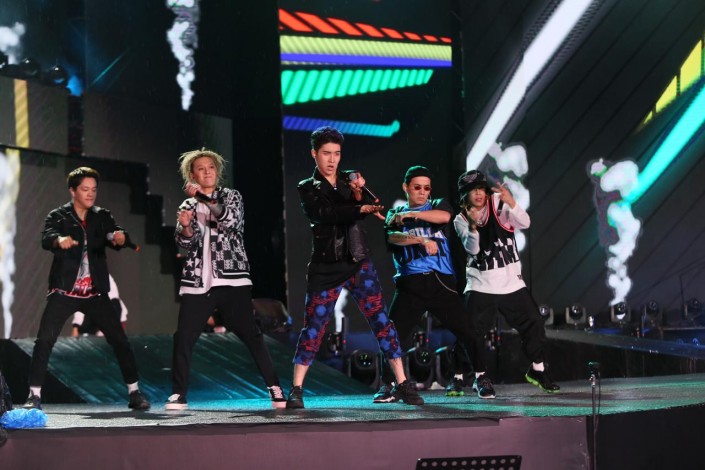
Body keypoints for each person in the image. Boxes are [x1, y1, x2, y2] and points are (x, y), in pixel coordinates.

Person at [286, 126, 423, 409]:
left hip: (359, 262)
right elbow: (325, 213)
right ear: (314, 154)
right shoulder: (307, 187)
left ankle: (402, 382)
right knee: (313, 327)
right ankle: (296, 389)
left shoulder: (350, 180)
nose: (332, 160)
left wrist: (360, 194)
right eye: (326, 153)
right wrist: (358, 208)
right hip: (326, 266)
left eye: (336, 153)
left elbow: (373, 205)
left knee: (381, 321)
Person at [167, 149, 286, 410]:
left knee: (251, 334)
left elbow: (229, 220)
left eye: (211, 167)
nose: (207, 172)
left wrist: (202, 198)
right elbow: (185, 242)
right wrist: (185, 226)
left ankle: (275, 387)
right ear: (192, 175)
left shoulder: (231, 196)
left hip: (232, 279)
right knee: (184, 336)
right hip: (198, 281)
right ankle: (178, 393)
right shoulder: (187, 205)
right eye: (201, 168)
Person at [22, 167, 150, 410]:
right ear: (73, 191)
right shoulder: (59, 216)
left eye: (94, 189)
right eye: (85, 189)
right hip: (64, 292)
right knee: (45, 340)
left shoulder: (101, 216)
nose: (90, 194)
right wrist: (58, 240)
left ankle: (135, 392)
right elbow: (47, 237)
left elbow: (114, 234)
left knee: (120, 340)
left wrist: (119, 237)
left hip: (95, 293)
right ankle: (34, 396)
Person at [454, 170, 560, 397]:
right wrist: (472, 227)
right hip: (480, 285)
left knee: (534, 323)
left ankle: (538, 369)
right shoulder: (461, 219)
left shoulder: (498, 203)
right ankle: (475, 376)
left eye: (481, 189)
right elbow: (473, 249)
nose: (478, 194)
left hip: (511, 284)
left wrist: (511, 203)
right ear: (464, 195)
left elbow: (525, 222)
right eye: (472, 191)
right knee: (471, 332)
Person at [377, 166, 476, 401]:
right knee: (392, 335)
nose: (422, 192)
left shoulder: (437, 205)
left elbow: (444, 217)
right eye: (417, 187)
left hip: (440, 281)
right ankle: (388, 385)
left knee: (468, 331)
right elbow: (393, 237)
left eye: (426, 188)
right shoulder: (395, 213)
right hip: (410, 283)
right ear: (406, 187)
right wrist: (420, 239)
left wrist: (412, 216)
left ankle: (476, 377)